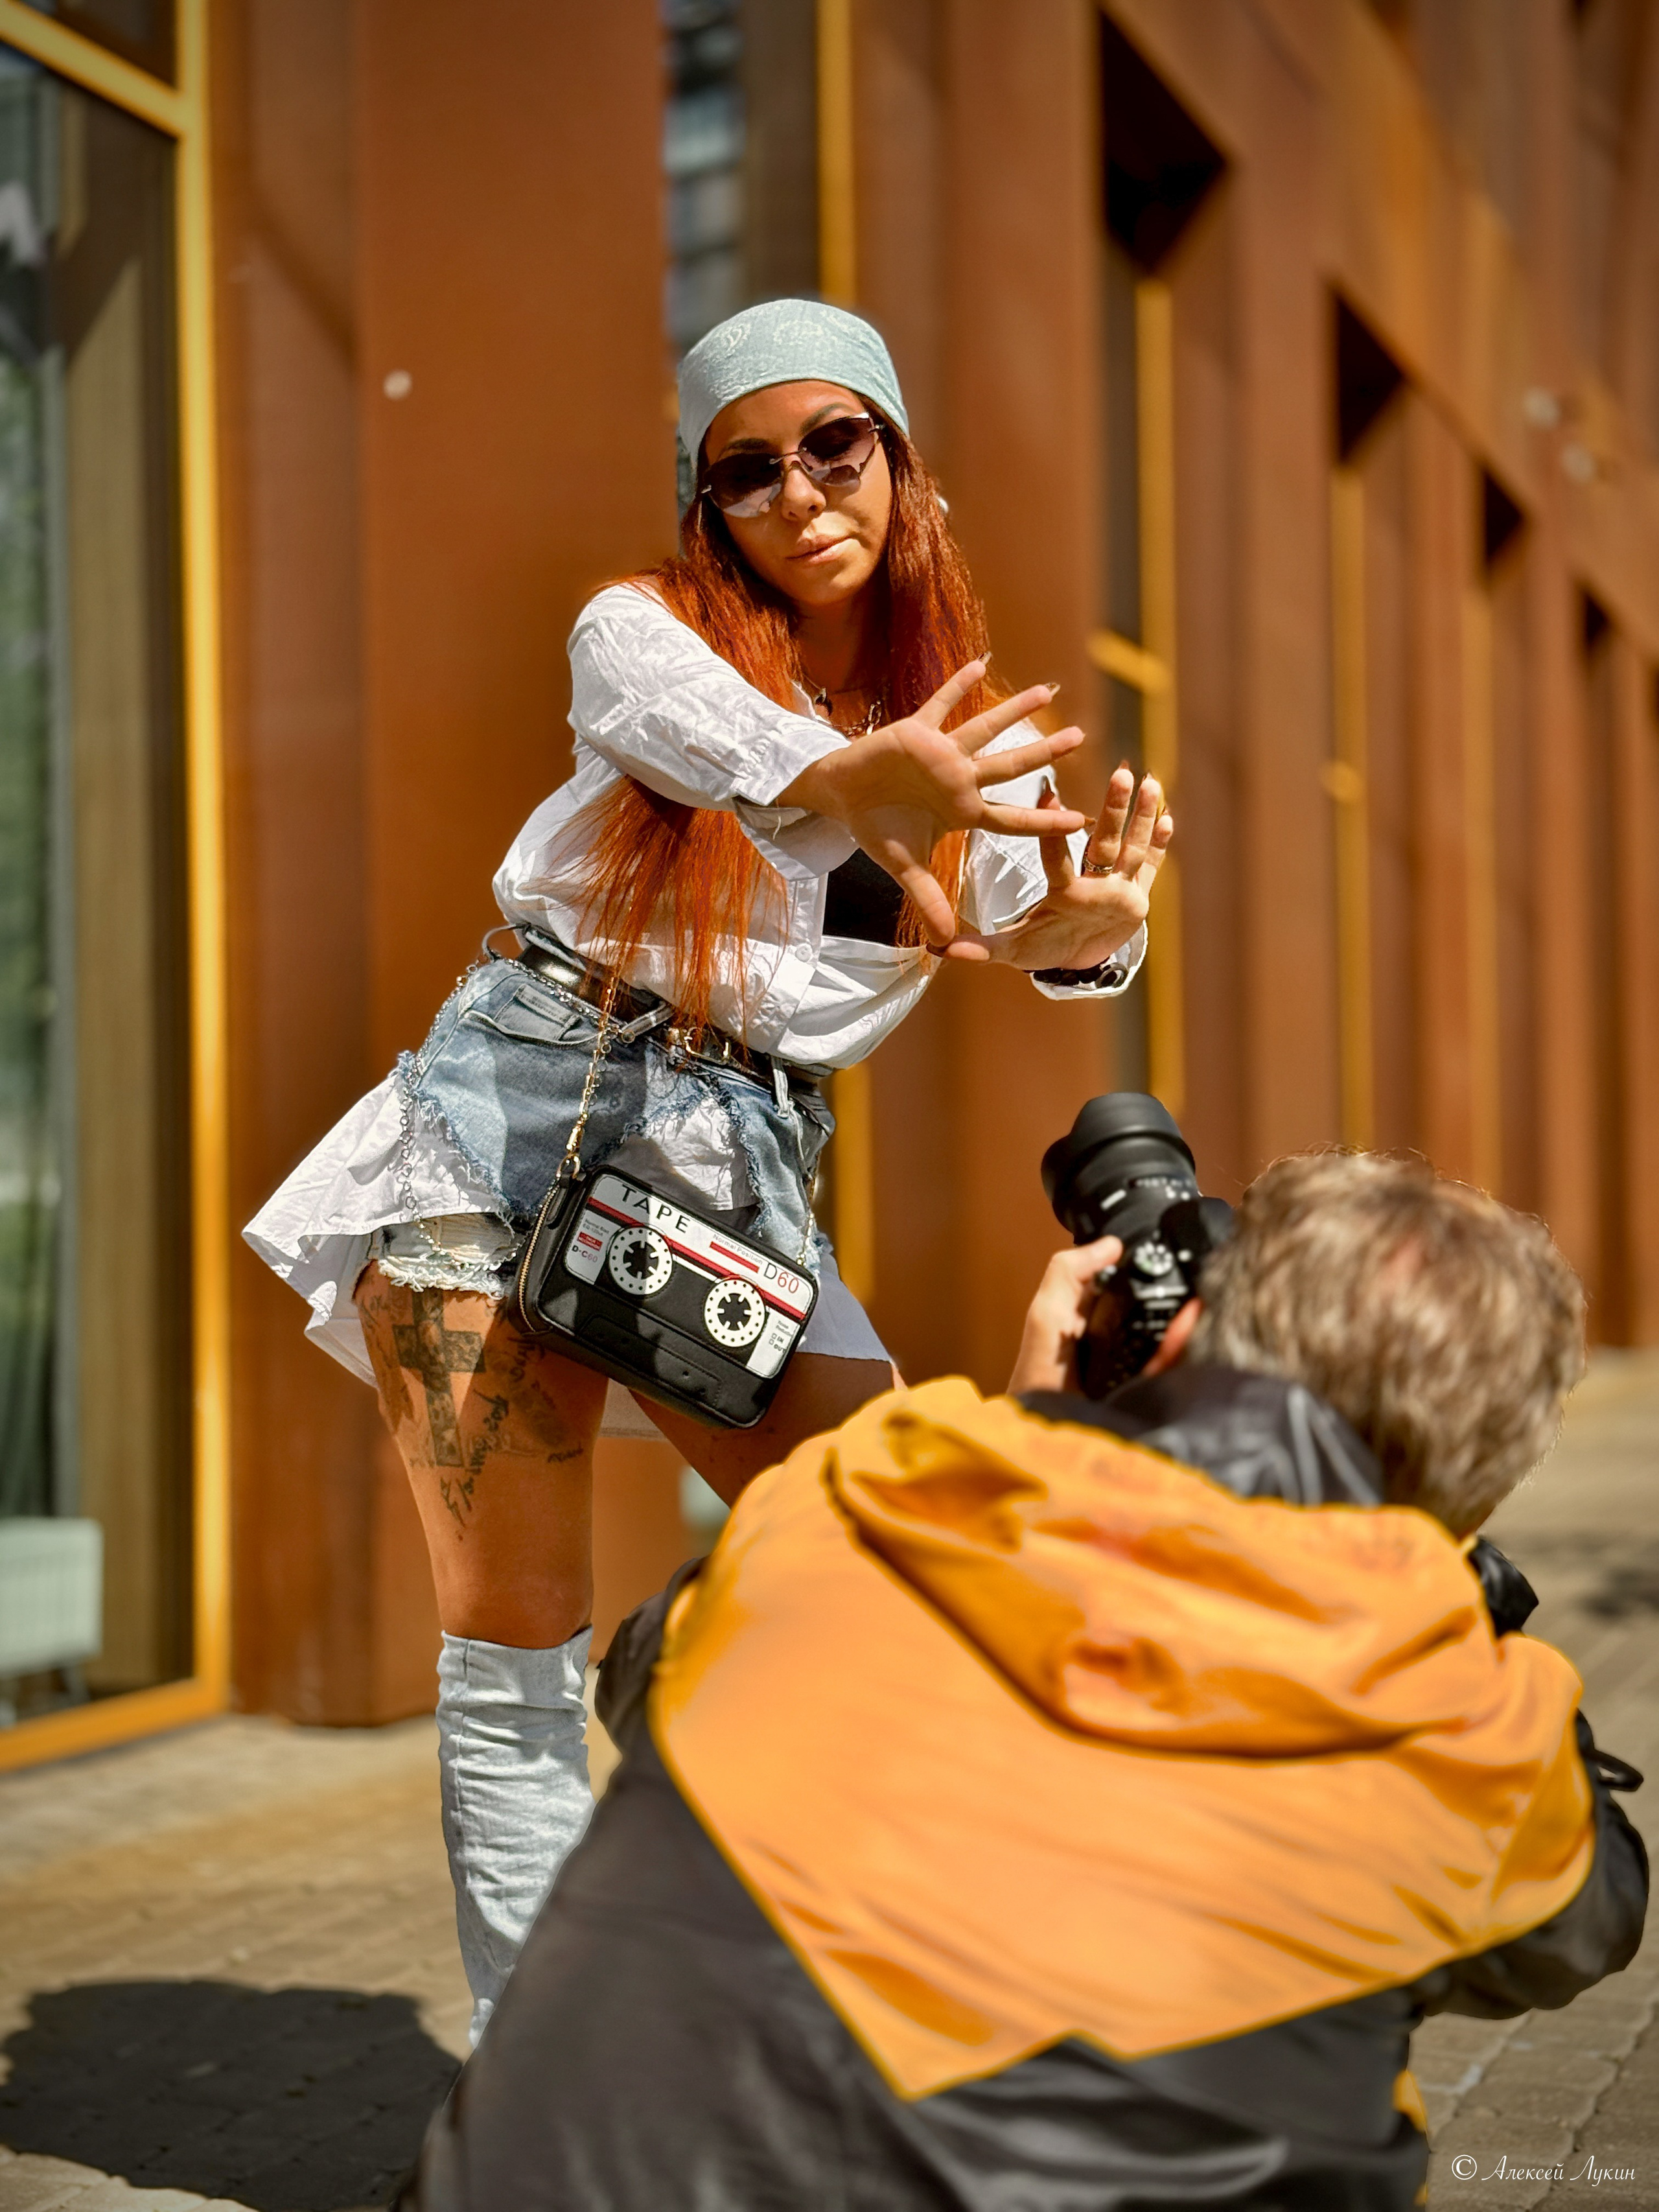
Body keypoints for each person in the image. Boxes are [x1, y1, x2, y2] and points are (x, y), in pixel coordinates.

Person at [244, 297, 1174, 2041]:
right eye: (748, 465)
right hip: (492, 1127)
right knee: (504, 1643)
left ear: (901, 459)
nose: (799, 487)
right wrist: (850, 776)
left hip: (718, 1159)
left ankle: (685, 1696)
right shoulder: (641, 631)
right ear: (710, 498)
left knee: (900, 1543)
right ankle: (538, 2081)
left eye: (839, 442)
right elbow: (717, 743)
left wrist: (1094, 937)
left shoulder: (952, 732)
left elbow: (1019, 926)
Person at [399, 1152, 1647, 2211]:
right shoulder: (1468, 1716)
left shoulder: (864, 1496)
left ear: (1189, 1328)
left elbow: (645, 1681)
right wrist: (1450, 1568)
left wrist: (1027, 1427)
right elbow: (1586, 1927)